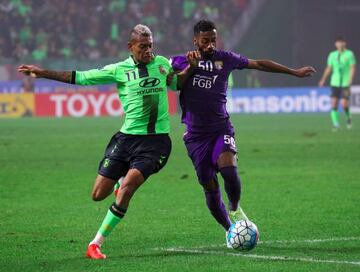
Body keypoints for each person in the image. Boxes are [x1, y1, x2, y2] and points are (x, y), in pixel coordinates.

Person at [18, 24, 188, 259]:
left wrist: (190, 67)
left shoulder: (162, 64)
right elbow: (82, 77)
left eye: (150, 46)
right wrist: (43, 72)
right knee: (98, 194)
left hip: (155, 143)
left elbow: (177, 84)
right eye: (142, 46)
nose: (148, 50)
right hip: (126, 139)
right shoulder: (119, 70)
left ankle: (95, 244)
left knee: (128, 187)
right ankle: (119, 180)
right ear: (131, 47)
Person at [170, 20, 316, 246]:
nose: (210, 45)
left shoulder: (225, 58)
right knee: (209, 186)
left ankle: (235, 208)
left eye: (213, 40)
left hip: (220, 128)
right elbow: (174, 84)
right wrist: (190, 67)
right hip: (195, 136)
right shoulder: (181, 61)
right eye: (205, 41)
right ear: (195, 41)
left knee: (229, 172)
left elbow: (258, 64)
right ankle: (230, 230)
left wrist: (293, 72)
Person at [318, 37, 356, 130]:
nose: (339, 44)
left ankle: (348, 118)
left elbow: (352, 67)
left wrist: (351, 78)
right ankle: (336, 124)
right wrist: (323, 79)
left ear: (344, 43)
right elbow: (329, 68)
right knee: (334, 103)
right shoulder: (332, 55)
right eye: (338, 43)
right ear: (335, 44)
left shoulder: (349, 54)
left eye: (341, 42)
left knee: (344, 104)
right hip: (334, 82)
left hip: (345, 83)